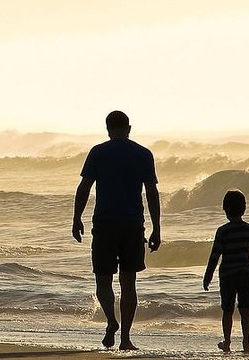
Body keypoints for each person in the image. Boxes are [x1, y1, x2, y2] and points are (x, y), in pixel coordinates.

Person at [72, 111, 161, 351]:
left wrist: (76, 218)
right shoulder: (143, 154)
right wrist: (156, 228)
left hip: (104, 223)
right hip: (132, 225)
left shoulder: (98, 152)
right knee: (128, 282)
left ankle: (112, 321)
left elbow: (84, 187)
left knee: (103, 279)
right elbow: (152, 193)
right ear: (129, 128)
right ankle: (126, 339)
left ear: (108, 129)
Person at [203, 189, 249, 353]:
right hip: (245, 273)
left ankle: (227, 343)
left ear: (224, 209)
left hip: (227, 275)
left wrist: (207, 276)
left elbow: (214, 255)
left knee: (227, 310)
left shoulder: (222, 231)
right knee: (245, 310)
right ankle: (246, 343)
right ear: (244, 209)